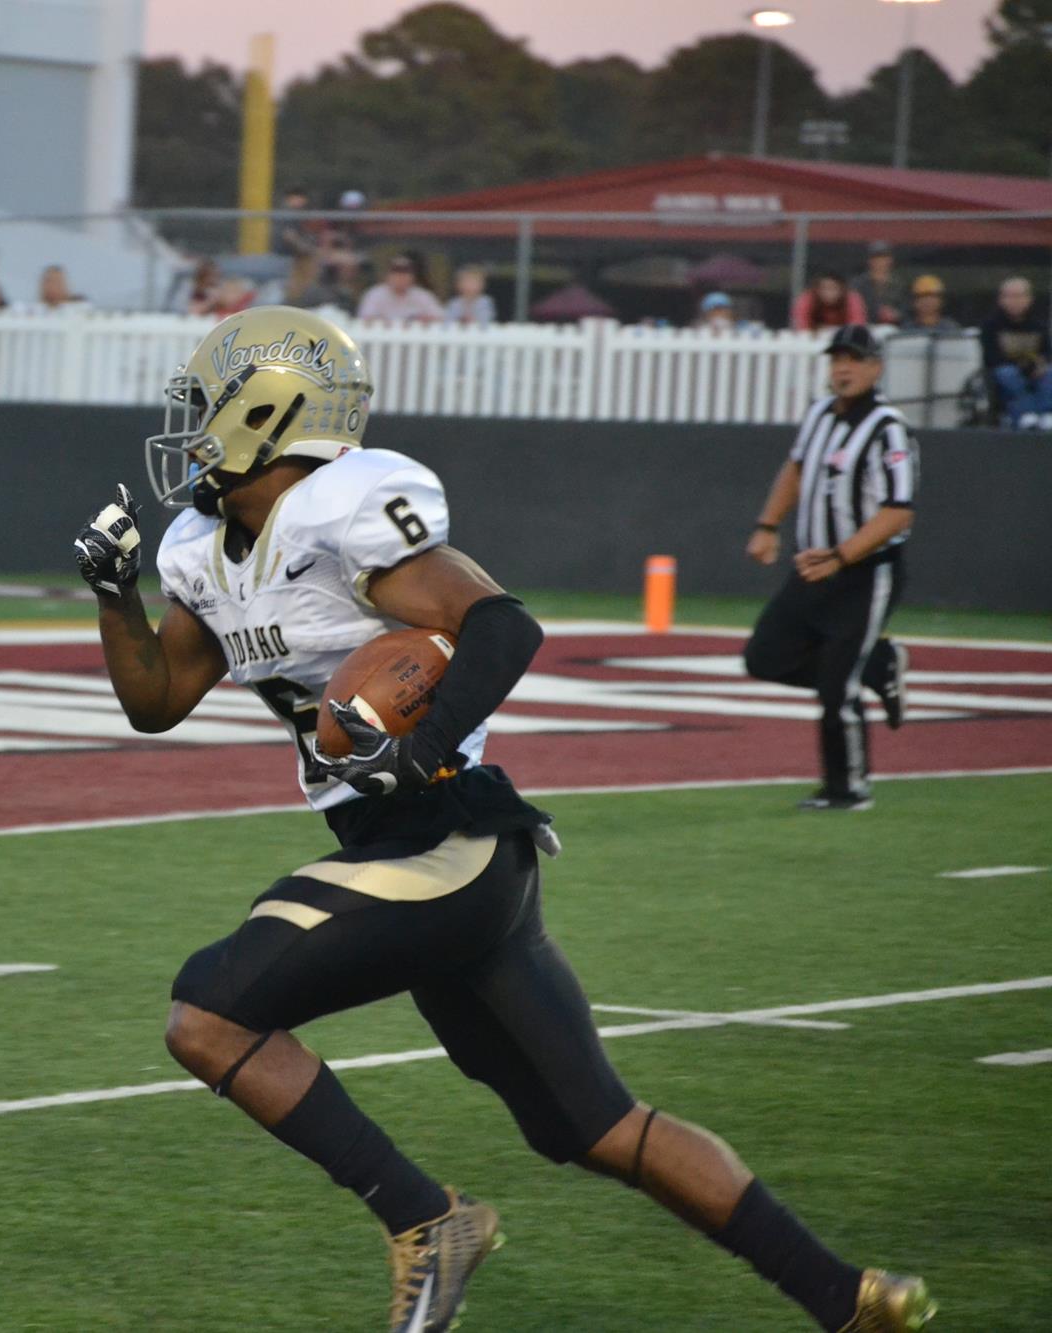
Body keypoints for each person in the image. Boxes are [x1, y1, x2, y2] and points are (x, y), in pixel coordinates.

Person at [69, 303, 934, 1333]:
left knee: (207, 1014)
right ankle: (845, 1297)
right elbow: (156, 701)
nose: (195, 423)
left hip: (449, 837)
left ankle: (424, 1219)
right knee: (598, 1126)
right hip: (437, 862)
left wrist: (415, 750)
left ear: (270, 410)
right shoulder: (202, 550)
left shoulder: (340, 510)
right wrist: (114, 595)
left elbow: (501, 624)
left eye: (209, 402)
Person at [743, 325, 916, 811]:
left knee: (838, 688)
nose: (843, 368)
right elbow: (797, 468)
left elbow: (900, 510)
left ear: (876, 367)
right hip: (814, 566)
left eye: (855, 359)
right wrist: (767, 524)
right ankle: (876, 665)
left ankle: (848, 788)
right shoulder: (820, 413)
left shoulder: (888, 427)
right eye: (837, 359)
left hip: (866, 573)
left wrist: (843, 556)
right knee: (764, 657)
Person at [978, 276, 1052, 427]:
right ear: (1001, 299)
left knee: (1049, 373)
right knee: (1008, 374)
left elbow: (1047, 352)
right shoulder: (991, 326)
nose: (1014, 301)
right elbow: (991, 358)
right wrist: (1021, 366)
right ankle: (1027, 413)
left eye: (1019, 296)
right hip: (1005, 373)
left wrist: (1039, 365)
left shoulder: (1039, 326)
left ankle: (1045, 414)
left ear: (1029, 299)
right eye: (1010, 296)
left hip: (1034, 371)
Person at [357, 256, 444, 325]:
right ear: (388, 276)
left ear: (412, 277)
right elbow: (365, 318)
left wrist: (415, 321)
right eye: (396, 273)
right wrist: (389, 324)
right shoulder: (375, 294)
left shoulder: (423, 296)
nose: (401, 278)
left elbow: (439, 318)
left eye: (405, 274)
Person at [849, 242, 903, 327]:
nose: (880, 262)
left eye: (884, 257)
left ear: (890, 260)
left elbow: (907, 309)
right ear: (869, 261)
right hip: (866, 329)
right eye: (876, 258)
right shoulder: (858, 284)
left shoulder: (900, 284)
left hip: (894, 330)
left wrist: (896, 314)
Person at [790, 274, 866, 333]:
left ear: (842, 289)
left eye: (833, 288)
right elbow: (801, 324)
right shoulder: (807, 300)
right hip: (813, 339)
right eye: (824, 288)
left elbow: (857, 325)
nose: (828, 293)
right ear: (817, 289)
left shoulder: (852, 299)